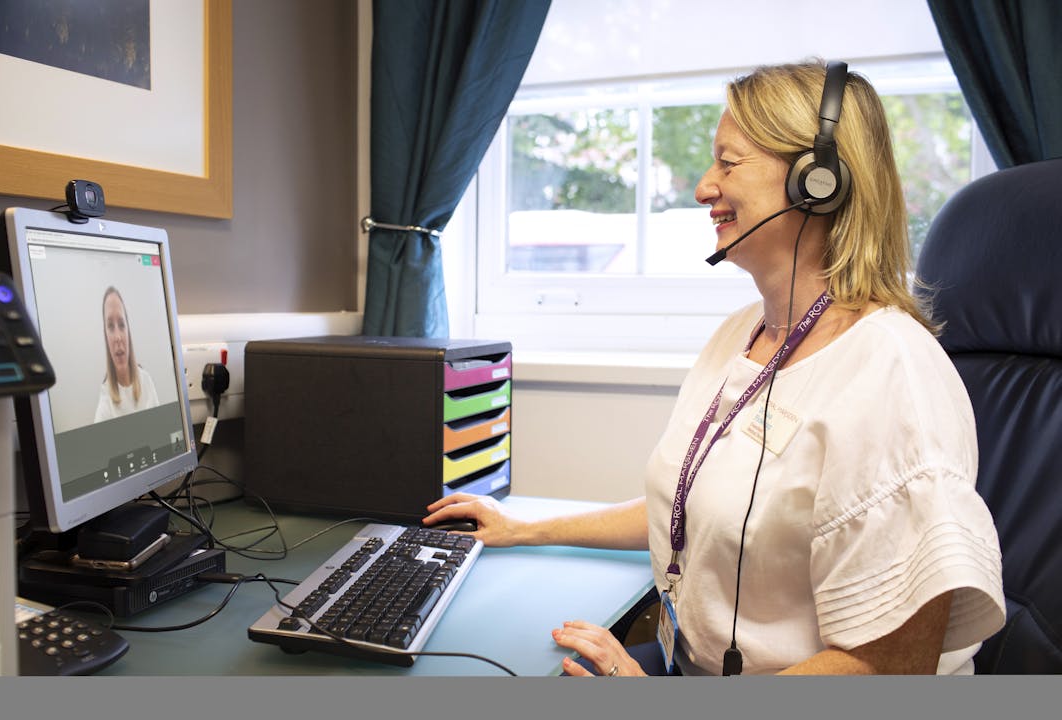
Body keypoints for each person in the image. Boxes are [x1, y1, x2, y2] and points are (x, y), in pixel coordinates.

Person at [424, 59, 1006, 676]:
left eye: (729, 163)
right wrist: (524, 530)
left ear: (818, 181)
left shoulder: (892, 373)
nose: (704, 186)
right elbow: (689, 502)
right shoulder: (740, 335)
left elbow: (893, 669)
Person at [94, 286, 160, 421]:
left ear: (128, 331)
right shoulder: (105, 405)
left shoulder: (146, 380)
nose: (118, 337)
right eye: (111, 327)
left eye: (122, 325)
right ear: (105, 336)